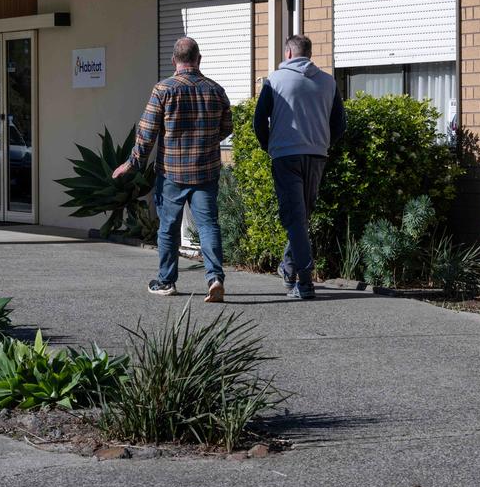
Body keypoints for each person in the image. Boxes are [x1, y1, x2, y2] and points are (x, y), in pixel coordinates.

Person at [113, 37, 232, 303]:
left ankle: (166, 281)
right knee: (208, 225)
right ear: (199, 59)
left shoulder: (163, 90)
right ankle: (214, 279)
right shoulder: (216, 90)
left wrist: (132, 163)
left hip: (171, 173)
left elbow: (147, 133)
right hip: (205, 171)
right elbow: (226, 127)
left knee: (168, 227)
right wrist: (206, 140)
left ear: (174, 61)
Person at [253, 34, 347, 300]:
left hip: (285, 156)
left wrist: (269, 145)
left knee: (295, 219)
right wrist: (322, 142)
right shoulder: (328, 82)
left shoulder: (275, 80)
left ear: (289, 54)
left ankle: (305, 283)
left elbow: (259, 121)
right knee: (301, 217)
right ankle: (289, 267)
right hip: (317, 155)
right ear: (308, 53)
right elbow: (340, 124)